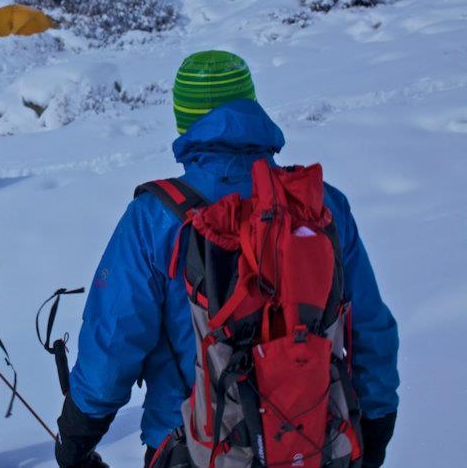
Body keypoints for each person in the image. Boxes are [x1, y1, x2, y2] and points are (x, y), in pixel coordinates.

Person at [54, 51, 399, 468]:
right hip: (315, 441)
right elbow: (369, 325)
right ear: (253, 107)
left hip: (195, 446)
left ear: (185, 121)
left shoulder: (154, 218)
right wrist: (376, 422)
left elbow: (113, 341)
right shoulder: (319, 205)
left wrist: (77, 432)